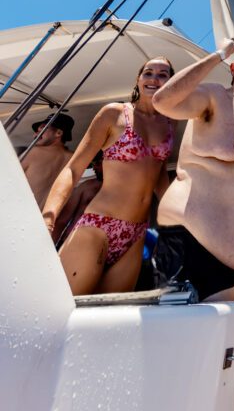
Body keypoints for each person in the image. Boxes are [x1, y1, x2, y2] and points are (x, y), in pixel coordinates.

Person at [152, 40, 234, 411]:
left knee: (214, 362)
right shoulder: (213, 98)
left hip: (229, 266)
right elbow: (164, 102)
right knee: (177, 363)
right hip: (191, 244)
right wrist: (217, 56)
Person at [41, 58, 175, 295]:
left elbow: (159, 176)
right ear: (138, 79)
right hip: (100, 225)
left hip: (136, 234)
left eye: (163, 74)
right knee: (64, 309)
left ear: (172, 81)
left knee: (113, 317)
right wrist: (48, 217)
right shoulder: (114, 114)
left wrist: (178, 225)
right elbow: (73, 169)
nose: (154, 78)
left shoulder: (168, 124)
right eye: (148, 72)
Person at [21, 113, 74, 210]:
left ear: (58, 133)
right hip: (41, 221)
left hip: (17, 213)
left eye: (42, 128)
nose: (35, 134)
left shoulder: (34, 152)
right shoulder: (73, 159)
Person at [53, 151, 103, 247]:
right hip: (70, 243)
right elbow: (62, 220)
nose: (94, 168)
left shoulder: (123, 193)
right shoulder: (87, 186)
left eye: (98, 163)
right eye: (93, 164)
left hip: (97, 249)